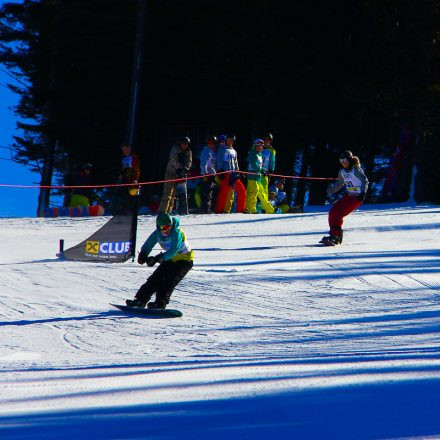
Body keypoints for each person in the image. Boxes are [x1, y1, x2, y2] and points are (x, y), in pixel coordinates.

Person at [126, 213, 194, 309]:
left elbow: (173, 250)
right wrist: (143, 254)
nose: (166, 230)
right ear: (158, 227)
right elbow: (148, 244)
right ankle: (140, 301)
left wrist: (157, 258)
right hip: (169, 259)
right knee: (154, 279)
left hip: (184, 260)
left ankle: (160, 303)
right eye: (163, 227)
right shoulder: (157, 234)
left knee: (169, 281)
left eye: (168, 226)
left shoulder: (176, 233)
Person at [320, 150, 369, 245]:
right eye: (341, 162)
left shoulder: (356, 169)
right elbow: (340, 183)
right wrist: (330, 191)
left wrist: (363, 192)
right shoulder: (342, 172)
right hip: (349, 196)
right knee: (332, 212)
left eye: (345, 162)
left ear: (350, 160)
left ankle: (336, 236)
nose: (343, 164)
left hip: (357, 197)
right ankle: (334, 235)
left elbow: (365, 181)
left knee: (338, 214)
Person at [158, 137, 192, 214]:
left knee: (174, 194)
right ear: (180, 143)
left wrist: (185, 169)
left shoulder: (188, 151)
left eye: (186, 144)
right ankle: (163, 210)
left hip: (180, 174)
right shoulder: (175, 149)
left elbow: (189, 161)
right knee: (168, 192)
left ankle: (169, 210)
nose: (185, 145)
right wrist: (179, 168)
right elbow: (173, 159)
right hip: (171, 172)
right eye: (183, 144)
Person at [216, 134, 246, 213]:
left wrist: (238, 171)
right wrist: (220, 171)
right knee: (224, 192)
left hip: (234, 174)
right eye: (229, 140)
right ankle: (220, 210)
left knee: (242, 190)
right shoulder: (222, 149)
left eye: (232, 140)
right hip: (226, 173)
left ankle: (241, 209)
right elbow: (219, 160)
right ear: (226, 140)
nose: (230, 141)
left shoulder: (234, 151)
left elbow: (236, 162)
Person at [245, 139, 275, 214]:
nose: (261, 147)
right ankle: (251, 209)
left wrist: (264, 170)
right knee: (253, 193)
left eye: (262, 146)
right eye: (259, 146)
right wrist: (262, 170)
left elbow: (260, 165)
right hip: (252, 176)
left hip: (258, 177)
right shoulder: (252, 153)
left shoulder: (260, 154)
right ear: (255, 145)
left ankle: (271, 210)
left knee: (263, 195)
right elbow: (254, 164)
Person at [112, 144, 141, 215]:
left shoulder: (134, 157)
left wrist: (135, 179)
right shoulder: (123, 159)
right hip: (125, 181)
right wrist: (121, 175)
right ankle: (124, 211)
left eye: (125, 149)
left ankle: (132, 212)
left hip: (133, 181)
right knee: (124, 197)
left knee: (132, 197)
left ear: (129, 148)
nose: (124, 151)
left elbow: (137, 169)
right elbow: (123, 169)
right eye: (123, 150)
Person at [199, 135, 218, 213]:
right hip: (207, 174)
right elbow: (204, 163)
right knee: (206, 192)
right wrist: (205, 172)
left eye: (212, 143)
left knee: (211, 191)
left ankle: (211, 208)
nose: (211, 144)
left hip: (213, 174)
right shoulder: (206, 151)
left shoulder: (213, 152)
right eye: (209, 143)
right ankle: (205, 209)